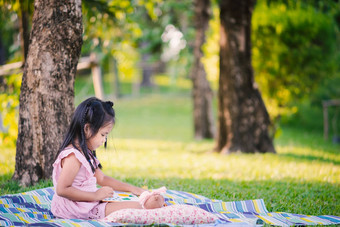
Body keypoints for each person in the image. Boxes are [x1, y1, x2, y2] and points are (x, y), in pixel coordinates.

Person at [51, 97, 165, 220]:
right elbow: (62, 189)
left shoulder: (85, 153)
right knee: (148, 206)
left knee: (150, 202)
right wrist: (95, 195)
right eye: (103, 134)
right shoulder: (74, 157)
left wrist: (133, 189)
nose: (104, 140)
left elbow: (102, 178)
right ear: (87, 129)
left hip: (87, 204)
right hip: (76, 209)